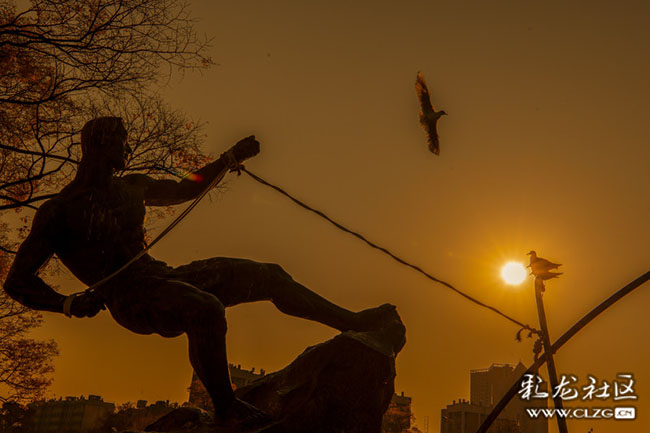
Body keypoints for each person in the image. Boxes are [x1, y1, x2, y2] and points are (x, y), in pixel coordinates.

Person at [3, 117, 399, 425]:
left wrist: (228, 159)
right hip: (131, 297)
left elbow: (184, 189)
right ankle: (227, 407)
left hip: (164, 276)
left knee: (269, 274)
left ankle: (351, 322)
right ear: (100, 145)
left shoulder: (132, 186)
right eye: (121, 141)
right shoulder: (59, 212)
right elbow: (18, 282)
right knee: (205, 308)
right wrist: (67, 304)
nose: (126, 148)